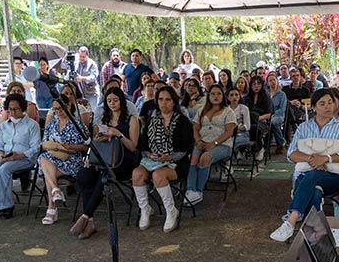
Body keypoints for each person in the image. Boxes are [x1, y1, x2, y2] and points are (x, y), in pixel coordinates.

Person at [270, 88, 339, 242]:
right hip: (307, 177)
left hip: (331, 178)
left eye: (330, 102)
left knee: (312, 176)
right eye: (322, 104)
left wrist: (326, 158)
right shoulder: (304, 127)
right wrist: (313, 159)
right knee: (314, 191)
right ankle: (315, 234)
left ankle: (291, 220)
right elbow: (291, 154)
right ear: (314, 107)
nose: (328, 106)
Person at [71, 87, 140, 239]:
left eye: (115, 100)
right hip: (104, 158)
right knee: (85, 175)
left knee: (104, 176)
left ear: (122, 101)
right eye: (109, 101)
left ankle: (86, 215)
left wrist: (118, 134)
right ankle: (90, 221)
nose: (112, 103)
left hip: (123, 160)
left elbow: (133, 146)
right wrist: (90, 157)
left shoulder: (131, 119)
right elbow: (97, 143)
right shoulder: (103, 120)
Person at [132, 86, 194, 232]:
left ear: (174, 101)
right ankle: (145, 209)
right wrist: (148, 154)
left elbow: (186, 148)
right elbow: (144, 144)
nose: (163, 103)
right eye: (160, 99)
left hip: (176, 162)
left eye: (167, 100)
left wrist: (169, 157)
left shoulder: (183, 121)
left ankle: (171, 211)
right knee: (137, 174)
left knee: (158, 175)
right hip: (153, 160)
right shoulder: (152, 120)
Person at [0, 93, 41, 219]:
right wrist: (0, 153)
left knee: (4, 170)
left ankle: (6, 205)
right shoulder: (4, 125)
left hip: (25, 158)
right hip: (6, 156)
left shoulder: (32, 125)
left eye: (16, 109)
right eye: (10, 109)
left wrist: (19, 156)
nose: (13, 112)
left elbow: (36, 147)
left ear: (22, 108)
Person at [38, 99, 88, 225]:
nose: (58, 111)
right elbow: (44, 143)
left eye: (60, 108)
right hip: (53, 157)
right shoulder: (52, 123)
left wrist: (71, 147)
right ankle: (55, 192)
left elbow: (87, 146)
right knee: (44, 158)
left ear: (68, 106)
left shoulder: (78, 124)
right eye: (55, 109)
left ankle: (52, 207)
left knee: (48, 172)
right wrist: (53, 146)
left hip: (72, 159)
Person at [185, 84, 236, 205]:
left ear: (223, 96)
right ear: (208, 96)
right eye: (212, 94)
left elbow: (229, 132)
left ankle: (199, 191)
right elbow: (195, 128)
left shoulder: (228, 112)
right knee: (192, 158)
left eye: (219, 94)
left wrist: (214, 143)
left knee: (205, 158)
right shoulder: (202, 110)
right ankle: (191, 190)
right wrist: (198, 141)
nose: (215, 96)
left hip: (223, 145)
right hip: (202, 142)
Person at [72, 46, 100, 117]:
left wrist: (83, 78)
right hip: (80, 94)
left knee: (93, 113)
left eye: (83, 57)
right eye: (80, 56)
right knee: (81, 114)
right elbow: (64, 66)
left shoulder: (92, 64)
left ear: (87, 55)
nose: (81, 58)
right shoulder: (76, 63)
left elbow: (94, 77)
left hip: (91, 93)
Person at [267, 72, 288, 154]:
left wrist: (273, 114)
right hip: (266, 115)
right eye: (270, 80)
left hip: (278, 115)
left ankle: (281, 142)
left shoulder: (282, 94)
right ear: (267, 83)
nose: (273, 82)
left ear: (277, 81)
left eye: (274, 80)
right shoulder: (266, 93)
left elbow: (282, 109)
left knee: (273, 122)